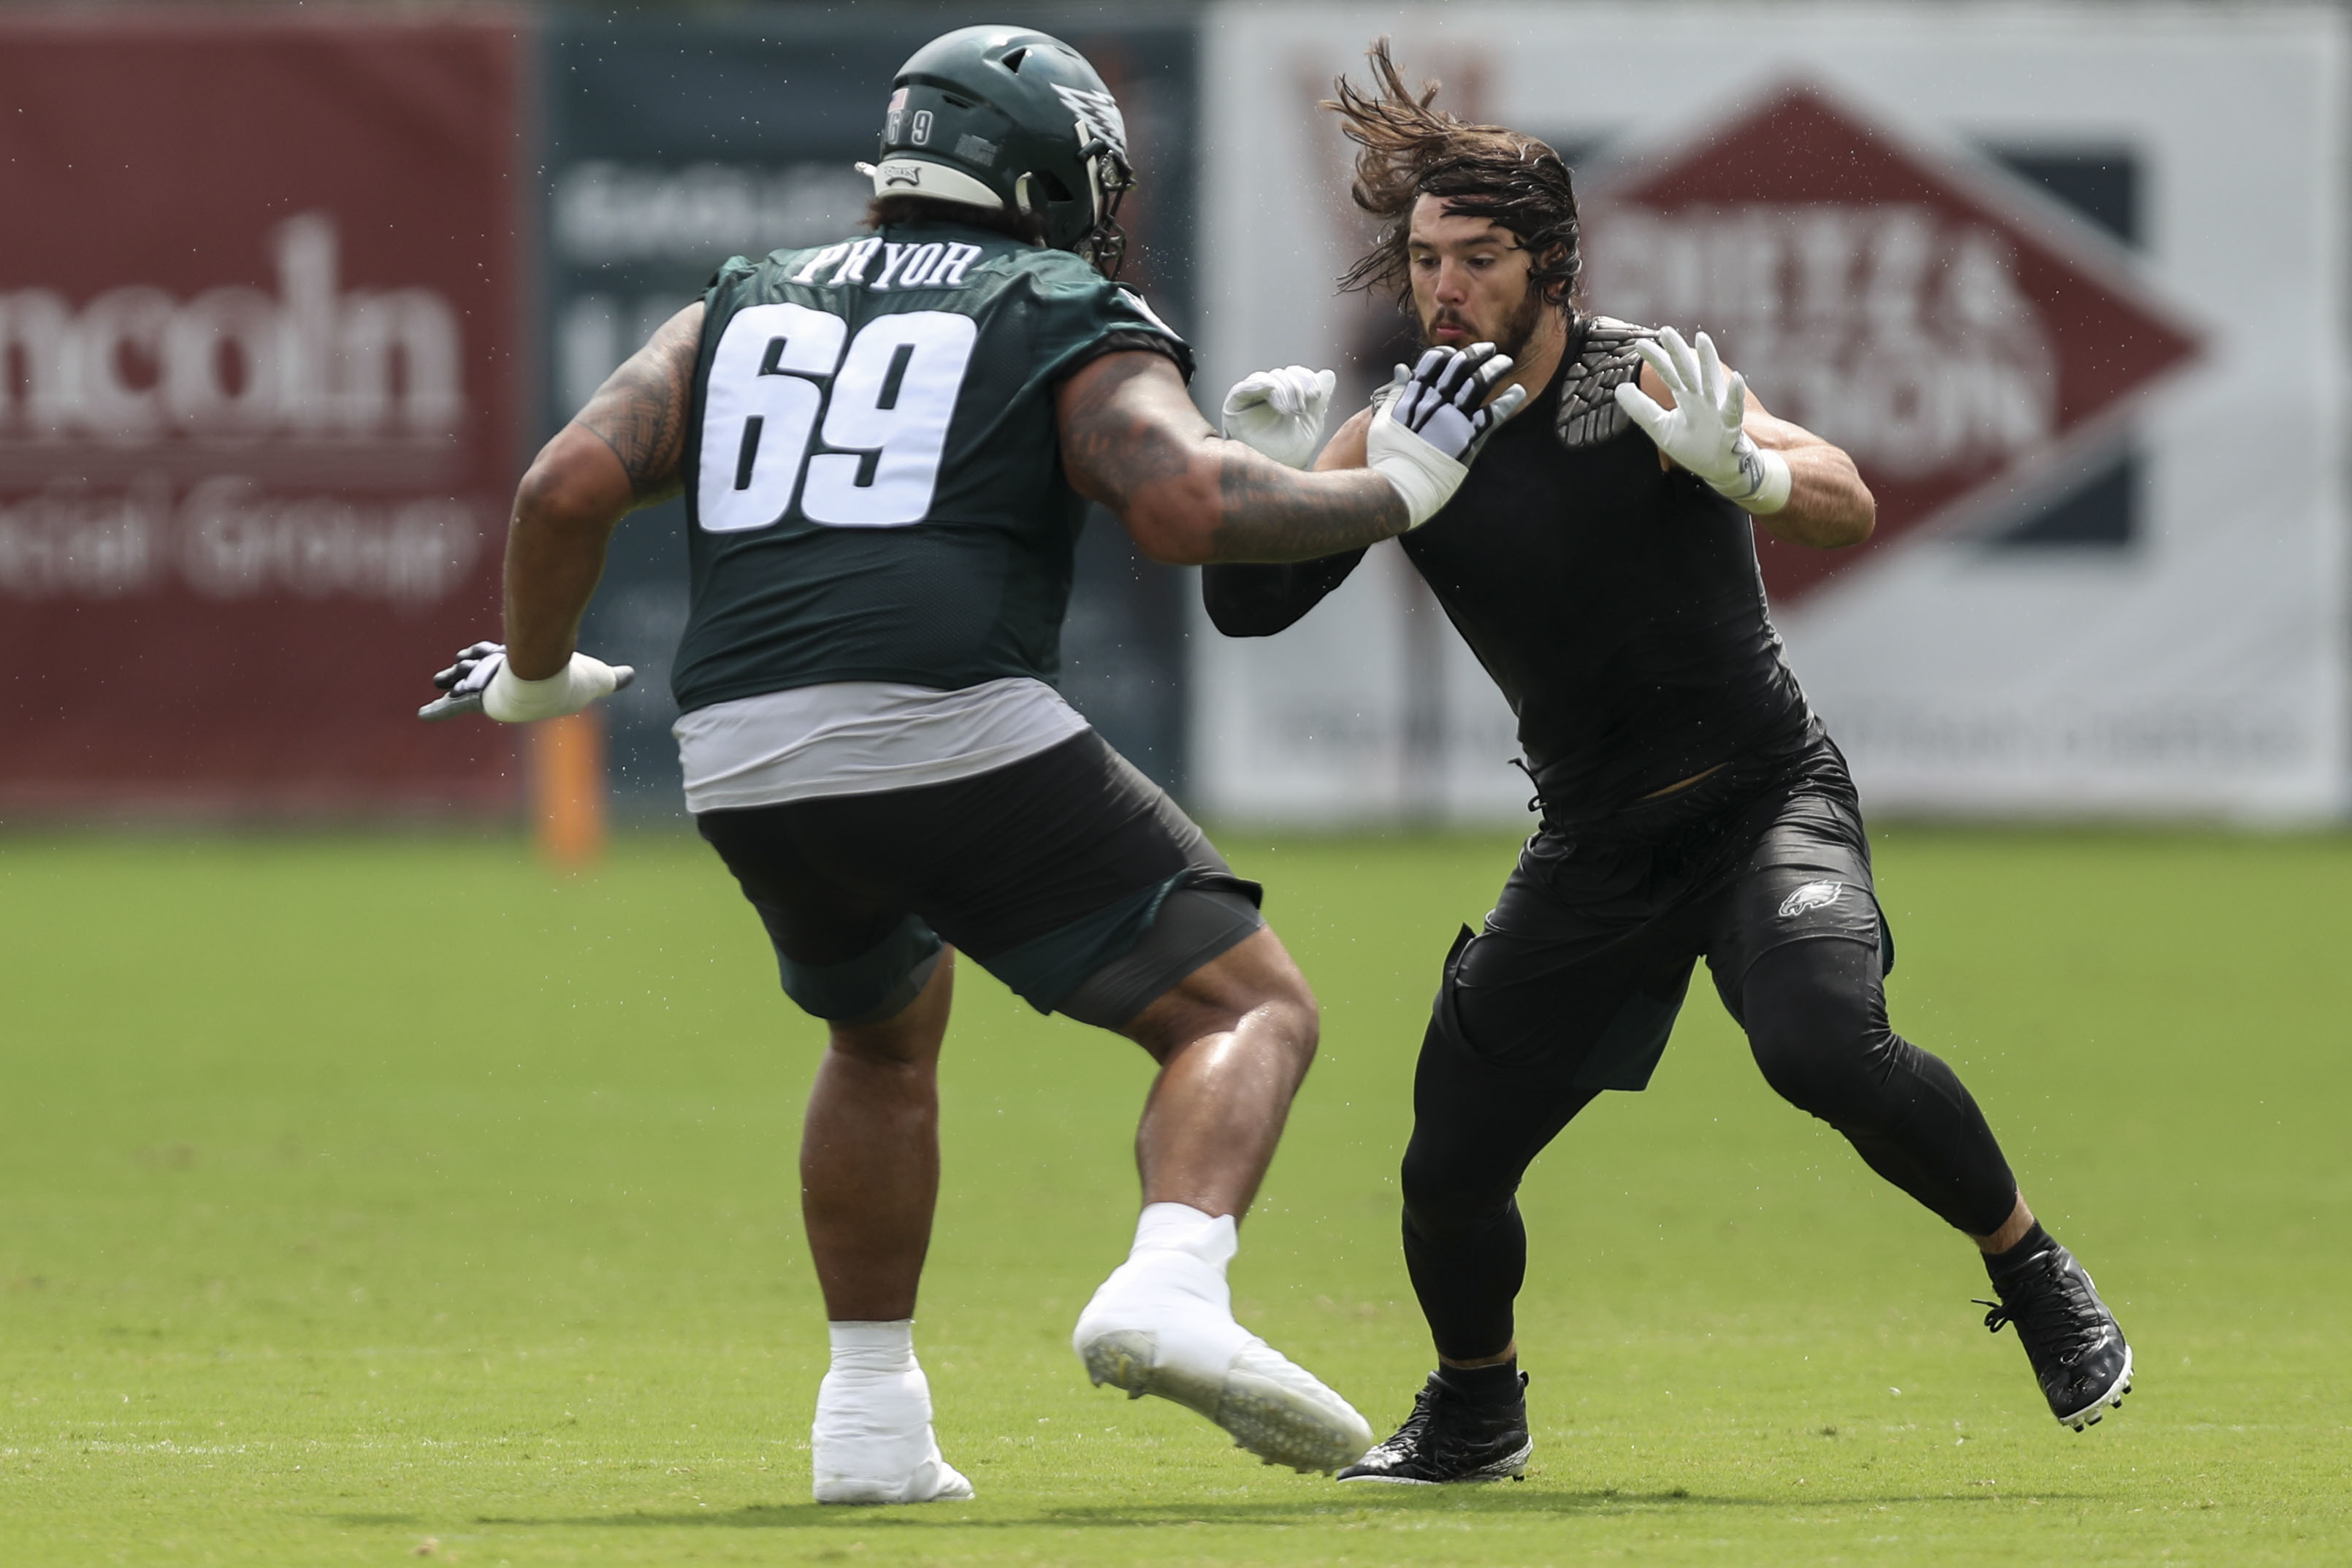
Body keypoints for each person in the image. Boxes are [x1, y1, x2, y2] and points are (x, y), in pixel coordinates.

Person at [419, 26, 1525, 1504]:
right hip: (940, 720)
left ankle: (869, 1421)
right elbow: (1184, 502)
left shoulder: (737, 302)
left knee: (882, 1031)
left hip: (738, 755)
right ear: (1043, 170)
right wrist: (1390, 486)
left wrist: (539, 678)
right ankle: (1171, 1283)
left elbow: (563, 484)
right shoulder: (1059, 300)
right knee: (1245, 1005)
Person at [1204, 43, 2132, 1485]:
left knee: (1819, 1046)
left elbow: (1840, 499)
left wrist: (1745, 470)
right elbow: (1243, 609)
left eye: (1478, 257)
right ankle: (1473, 1407)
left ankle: (2029, 1270)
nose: (1441, 285)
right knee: (1447, 1167)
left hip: (1763, 802)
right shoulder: (1401, 430)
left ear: (1552, 263)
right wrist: (1245, 489)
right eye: (1424, 257)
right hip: (1592, 847)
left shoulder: (1634, 382)